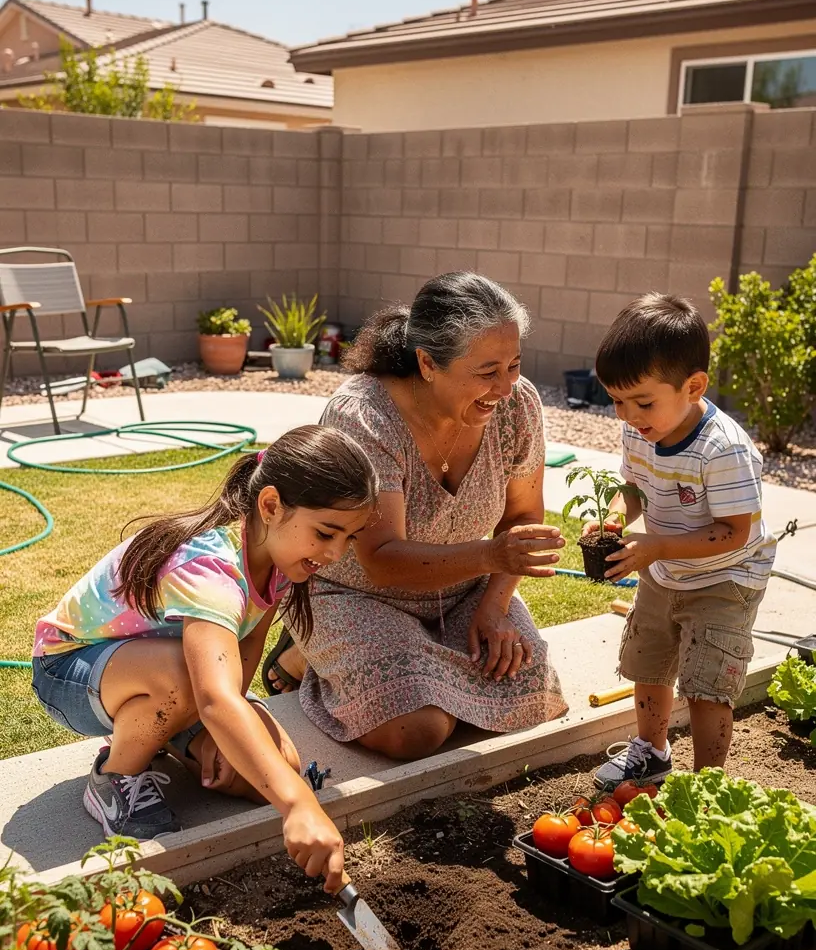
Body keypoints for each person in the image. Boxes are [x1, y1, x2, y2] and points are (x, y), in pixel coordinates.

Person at [31, 426, 378, 892]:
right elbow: (213, 697)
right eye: (326, 532)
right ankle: (114, 777)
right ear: (271, 506)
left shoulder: (278, 559)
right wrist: (298, 805)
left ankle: (164, 734)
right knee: (181, 681)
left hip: (159, 673)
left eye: (350, 538)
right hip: (70, 670)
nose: (336, 553)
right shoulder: (210, 569)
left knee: (274, 768)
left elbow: (236, 670)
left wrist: (232, 738)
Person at [265, 271, 567, 758]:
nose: (507, 387)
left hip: (465, 588)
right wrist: (493, 554)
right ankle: (309, 654)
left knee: (533, 696)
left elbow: (523, 514)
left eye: (514, 364)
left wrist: (494, 607)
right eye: (488, 371)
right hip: (354, 591)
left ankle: (389, 664)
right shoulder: (363, 416)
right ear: (427, 363)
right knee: (417, 731)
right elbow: (382, 559)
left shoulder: (517, 405)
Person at [590, 293, 776, 788]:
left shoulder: (723, 448)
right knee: (649, 661)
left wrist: (658, 548)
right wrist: (614, 517)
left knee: (708, 684)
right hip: (664, 570)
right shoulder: (641, 429)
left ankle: (706, 783)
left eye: (641, 401)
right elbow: (633, 488)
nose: (626, 414)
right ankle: (651, 752)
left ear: (693, 387)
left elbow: (735, 532)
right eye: (616, 400)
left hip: (725, 578)